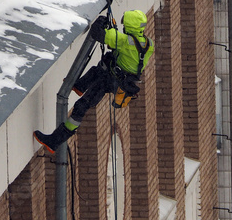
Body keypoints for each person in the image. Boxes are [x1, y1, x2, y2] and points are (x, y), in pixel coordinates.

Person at [33, 10, 154, 153]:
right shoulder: (148, 44)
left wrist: (100, 22)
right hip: (120, 82)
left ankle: (54, 141)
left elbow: (97, 34)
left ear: (128, 26)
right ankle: (79, 86)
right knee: (103, 65)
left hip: (110, 80)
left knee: (81, 106)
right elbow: (126, 51)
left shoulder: (124, 40)